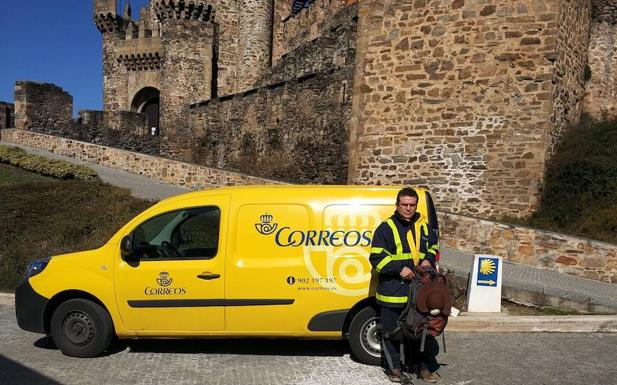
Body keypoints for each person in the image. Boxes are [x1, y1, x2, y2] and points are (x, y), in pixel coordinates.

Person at [369, 187, 439, 383]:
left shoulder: (423, 226)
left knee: (421, 333)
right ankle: (395, 369)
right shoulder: (386, 228)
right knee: (391, 333)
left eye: (412, 205)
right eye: (404, 204)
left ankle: (421, 367)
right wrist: (399, 269)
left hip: (419, 292)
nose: (408, 208)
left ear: (416, 205)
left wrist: (428, 260)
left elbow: (433, 246)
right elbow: (376, 257)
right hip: (393, 290)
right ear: (397, 205)